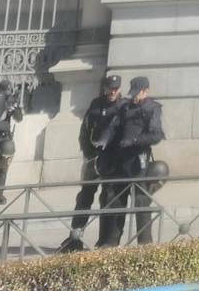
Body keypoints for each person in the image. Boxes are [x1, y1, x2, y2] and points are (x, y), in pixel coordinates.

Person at [97, 76, 165, 248]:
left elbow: (156, 135)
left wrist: (135, 140)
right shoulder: (125, 107)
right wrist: (104, 139)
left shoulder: (152, 108)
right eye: (132, 93)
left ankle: (145, 244)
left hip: (139, 160)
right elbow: (113, 126)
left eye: (137, 93)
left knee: (141, 201)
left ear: (145, 91)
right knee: (116, 199)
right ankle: (112, 243)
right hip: (122, 159)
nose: (134, 97)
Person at [60, 73, 125, 253]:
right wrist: (89, 155)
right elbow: (85, 131)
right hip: (94, 158)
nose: (112, 91)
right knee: (84, 197)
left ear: (119, 89)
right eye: (109, 88)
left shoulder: (123, 107)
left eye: (115, 88)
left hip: (112, 160)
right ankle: (74, 238)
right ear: (104, 88)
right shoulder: (96, 104)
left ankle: (106, 241)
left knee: (108, 198)